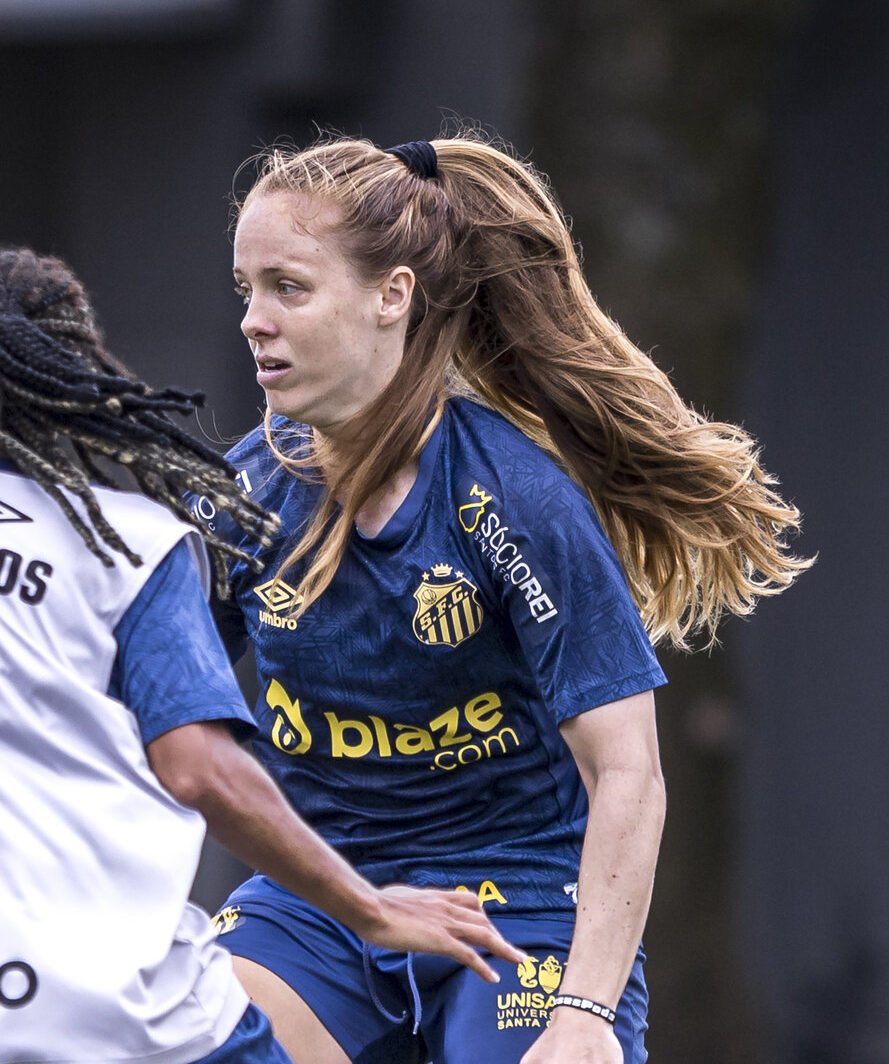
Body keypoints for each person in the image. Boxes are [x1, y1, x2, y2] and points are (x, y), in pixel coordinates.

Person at [0, 245, 522, 1064]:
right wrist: (370, 909)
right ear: (75, 390)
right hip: (140, 1029)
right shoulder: (129, 546)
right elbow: (200, 772)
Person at [195, 135, 812, 1064]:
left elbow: (628, 775)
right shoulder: (239, 498)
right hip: (318, 904)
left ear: (392, 296)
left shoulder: (516, 502)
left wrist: (587, 1014)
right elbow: (145, 721)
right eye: (247, 288)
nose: (253, 320)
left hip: (516, 908)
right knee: (194, 1035)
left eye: (288, 287)